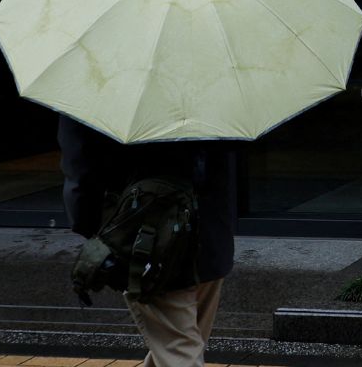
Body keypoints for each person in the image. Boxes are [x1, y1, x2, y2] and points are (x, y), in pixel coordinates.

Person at [58, 113, 237, 367]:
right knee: (178, 348)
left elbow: (81, 168)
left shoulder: (95, 85)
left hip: (146, 238)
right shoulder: (208, 83)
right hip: (208, 236)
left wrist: (93, 229)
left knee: (178, 350)